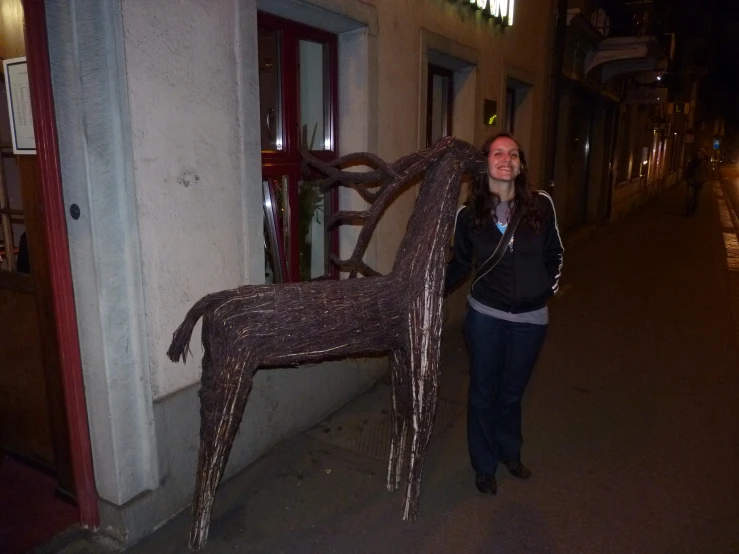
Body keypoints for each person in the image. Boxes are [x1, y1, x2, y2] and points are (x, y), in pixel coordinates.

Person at [445, 133, 564, 495]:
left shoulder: (541, 204)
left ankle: (509, 452)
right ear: (486, 163)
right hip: (486, 317)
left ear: (521, 165)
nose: (506, 158)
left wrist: (545, 290)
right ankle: (484, 465)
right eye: (498, 152)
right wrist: (429, 291)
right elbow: (460, 264)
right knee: (483, 392)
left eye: (514, 153)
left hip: (530, 320)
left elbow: (554, 253)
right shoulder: (468, 215)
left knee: (512, 393)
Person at [685, 149, 708, 217]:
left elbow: (706, 172)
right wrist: (687, 178)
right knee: (689, 197)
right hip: (691, 182)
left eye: (699, 154)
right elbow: (687, 170)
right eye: (697, 154)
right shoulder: (691, 162)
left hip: (699, 183)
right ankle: (688, 211)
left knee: (696, 199)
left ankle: (693, 210)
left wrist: (704, 180)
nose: (698, 155)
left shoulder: (703, 163)